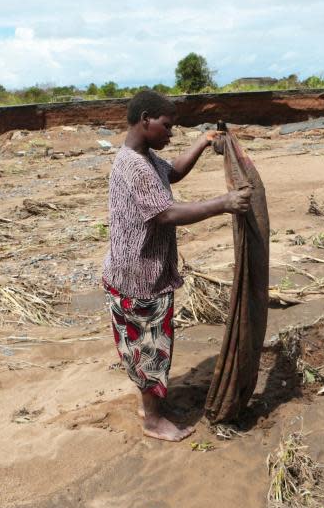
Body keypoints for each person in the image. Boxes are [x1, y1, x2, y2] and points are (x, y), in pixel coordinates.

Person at [102, 90, 251, 442]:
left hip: (134, 272)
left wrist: (202, 142)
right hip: (139, 277)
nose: (171, 133)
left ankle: (148, 405)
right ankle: (153, 421)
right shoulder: (135, 167)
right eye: (167, 125)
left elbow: (175, 173)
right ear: (145, 120)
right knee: (150, 347)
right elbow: (167, 213)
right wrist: (224, 203)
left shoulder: (146, 158)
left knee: (143, 346)